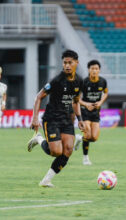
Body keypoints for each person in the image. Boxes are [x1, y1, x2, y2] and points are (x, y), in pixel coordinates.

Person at [27, 50, 85, 187]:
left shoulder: (79, 81)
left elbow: (76, 101)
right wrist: (35, 118)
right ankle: (39, 139)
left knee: (68, 150)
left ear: (77, 63)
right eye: (65, 63)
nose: (67, 66)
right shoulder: (57, 80)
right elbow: (39, 96)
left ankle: (46, 180)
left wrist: (80, 119)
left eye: (70, 63)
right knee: (55, 152)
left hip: (66, 119)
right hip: (51, 118)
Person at [74, 60, 108, 165]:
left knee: (94, 138)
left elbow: (106, 93)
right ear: (89, 70)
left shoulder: (103, 81)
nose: (94, 71)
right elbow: (76, 98)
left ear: (99, 70)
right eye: (92, 68)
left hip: (96, 112)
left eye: (96, 69)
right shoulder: (84, 82)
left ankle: (80, 138)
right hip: (85, 111)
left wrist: (101, 102)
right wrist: (86, 104)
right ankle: (85, 158)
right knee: (88, 132)